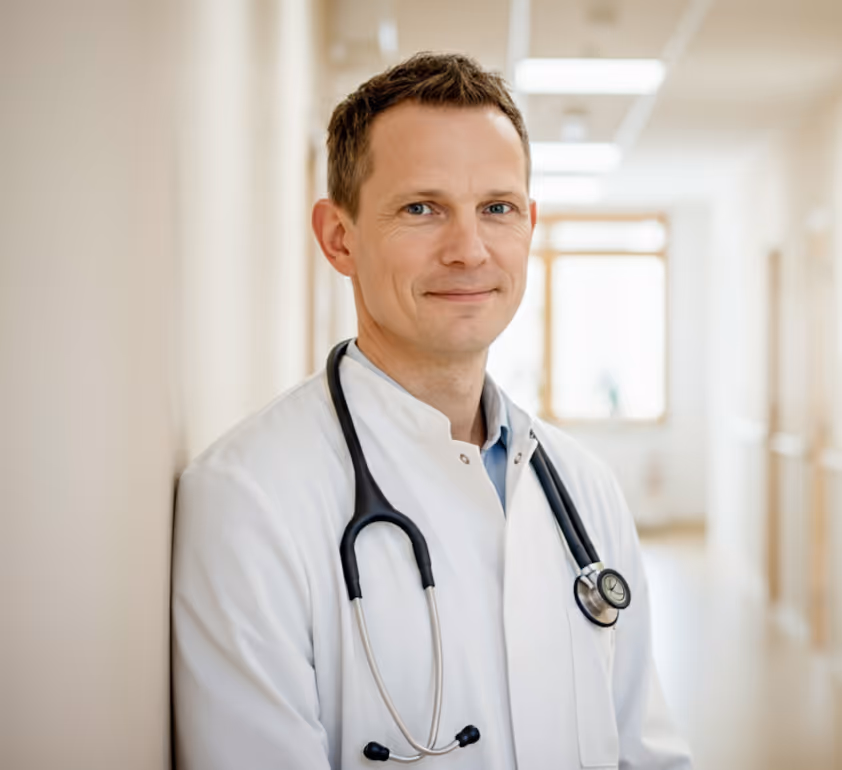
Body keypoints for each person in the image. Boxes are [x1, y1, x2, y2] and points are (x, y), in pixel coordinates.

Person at [172, 52, 692, 770]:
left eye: (497, 209)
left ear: (530, 226)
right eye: (422, 208)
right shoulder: (249, 500)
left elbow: (647, 751)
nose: (469, 250)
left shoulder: (584, 488)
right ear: (338, 238)